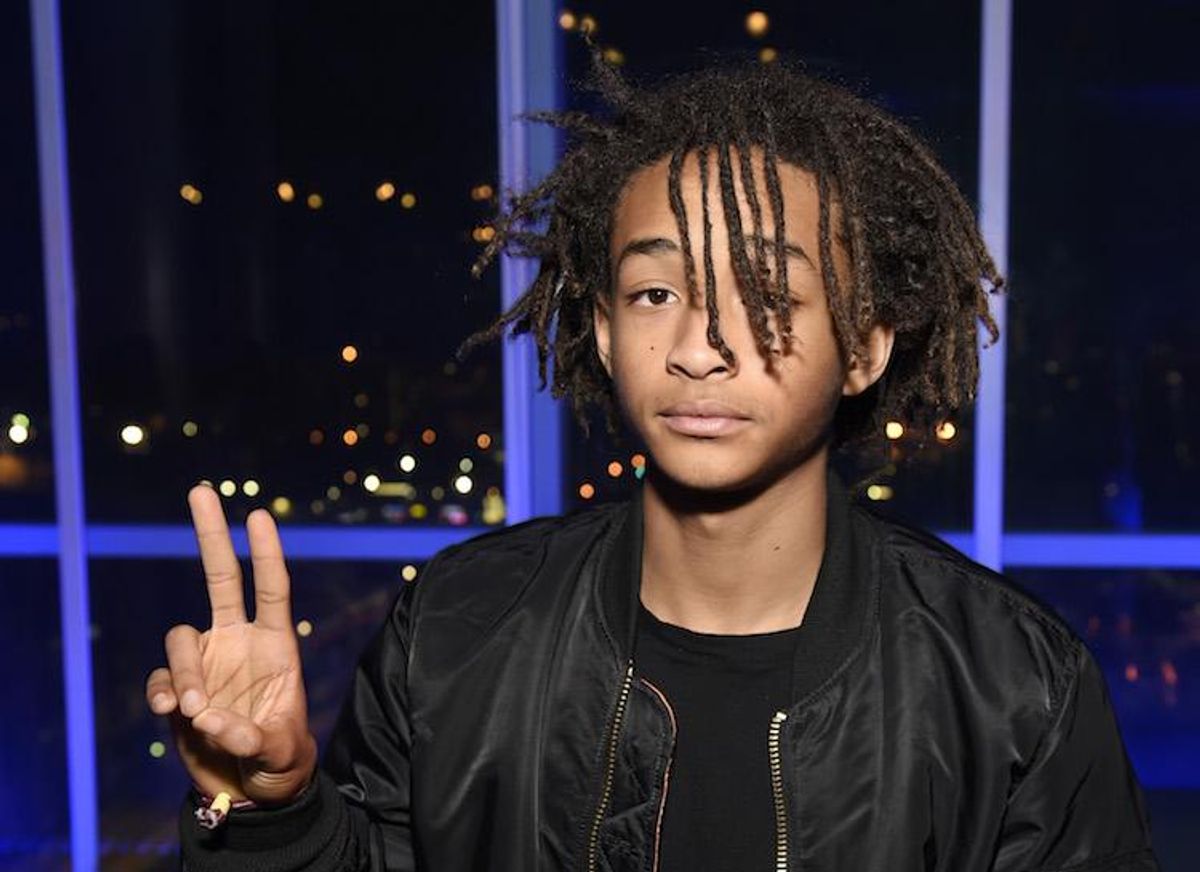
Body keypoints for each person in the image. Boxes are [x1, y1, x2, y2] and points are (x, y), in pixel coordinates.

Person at [147, 41, 1159, 872]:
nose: (696, 346)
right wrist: (270, 813)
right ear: (603, 329)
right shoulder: (455, 628)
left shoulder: (1012, 684)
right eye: (655, 293)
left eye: (765, 293)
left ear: (864, 346)